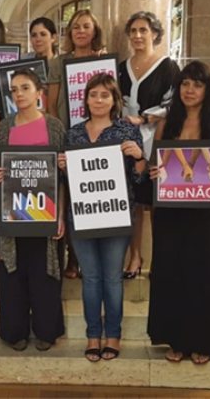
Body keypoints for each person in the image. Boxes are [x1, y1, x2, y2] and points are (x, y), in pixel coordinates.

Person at [147, 61, 210, 365]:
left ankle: (205, 341)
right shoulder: (166, 124)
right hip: (171, 212)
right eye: (185, 84)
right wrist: (155, 172)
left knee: (204, 273)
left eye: (196, 85)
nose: (189, 90)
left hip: (205, 211)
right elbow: (158, 163)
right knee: (172, 272)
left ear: (206, 89)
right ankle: (175, 339)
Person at [57, 73, 146, 362]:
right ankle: (93, 336)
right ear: (85, 99)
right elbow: (69, 181)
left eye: (104, 95)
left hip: (117, 215)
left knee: (112, 278)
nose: (98, 100)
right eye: (93, 95)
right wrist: (62, 166)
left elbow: (139, 178)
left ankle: (114, 336)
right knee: (91, 279)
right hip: (81, 216)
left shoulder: (126, 131)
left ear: (114, 100)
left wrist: (139, 158)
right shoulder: (73, 134)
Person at [0, 69, 66, 351]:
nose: (19, 94)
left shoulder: (55, 127)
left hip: (45, 215)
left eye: (25, 88)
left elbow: (61, 178)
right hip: (13, 213)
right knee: (13, 273)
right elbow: (1, 168)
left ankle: (46, 332)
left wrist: (60, 215)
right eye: (14, 89)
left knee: (44, 273)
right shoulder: (4, 127)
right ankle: (15, 332)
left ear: (39, 93)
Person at [118, 11, 180, 279]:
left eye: (143, 30)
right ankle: (135, 257)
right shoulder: (121, 67)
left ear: (155, 33)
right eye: (133, 31)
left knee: (156, 202)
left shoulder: (168, 67)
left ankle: (160, 259)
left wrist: (144, 117)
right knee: (132, 203)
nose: (138, 36)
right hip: (127, 142)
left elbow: (175, 105)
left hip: (157, 140)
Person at [45, 9, 105, 279]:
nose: (81, 31)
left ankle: (92, 256)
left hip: (96, 139)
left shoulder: (102, 61)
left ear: (95, 31)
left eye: (86, 26)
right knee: (68, 199)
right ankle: (72, 257)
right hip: (68, 137)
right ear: (69, 33)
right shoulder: (59, 62)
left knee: (92, 196)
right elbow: (50, 102)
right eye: (75, 27)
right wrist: (60, 135)